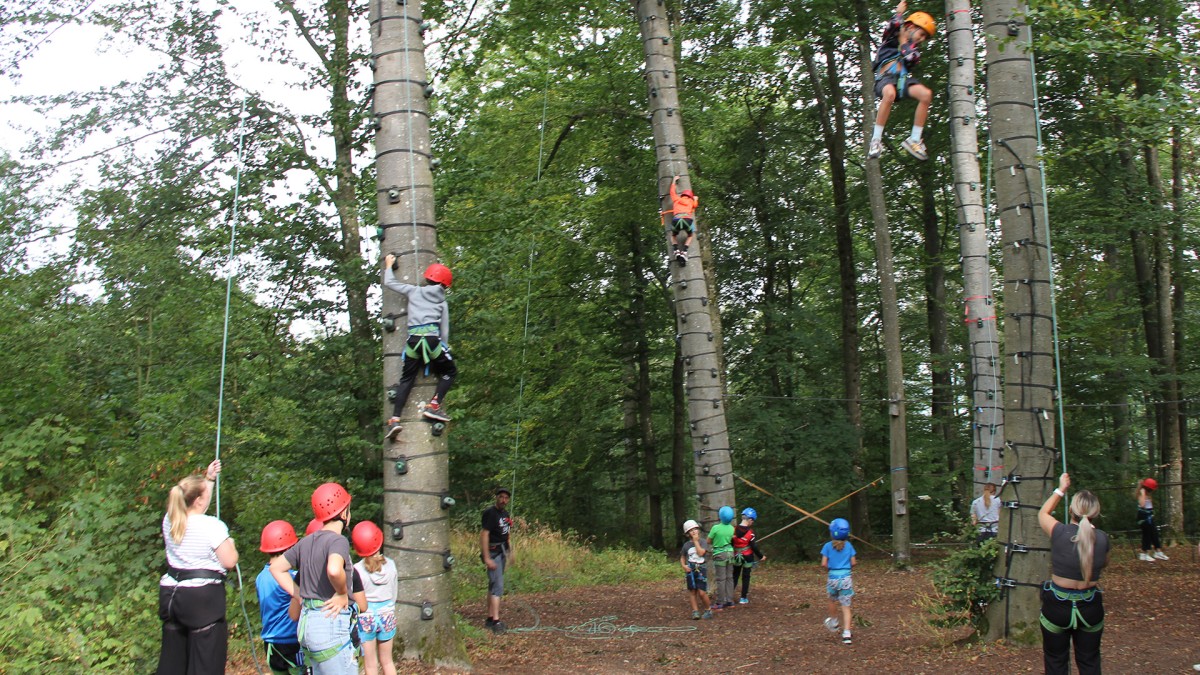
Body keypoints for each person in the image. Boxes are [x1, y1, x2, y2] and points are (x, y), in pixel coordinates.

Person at [156, 459, 239, 675]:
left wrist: (209, 479)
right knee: (205, 664)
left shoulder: (170, 520)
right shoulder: (212, 526)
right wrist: (230, 543)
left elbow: (197, 510)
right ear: (198, 500)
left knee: (173, 666)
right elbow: (230, 561)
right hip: (201, 601)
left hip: (171, 597)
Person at [271, 483, 358, 674]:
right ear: (344, 513)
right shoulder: (338, 540)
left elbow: (276, 568)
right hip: (330, 624)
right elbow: (334, 569)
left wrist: (299, 595)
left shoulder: (306, 542)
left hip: (307, 625)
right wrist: (342, 593)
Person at [1038, 473, 1110, 675]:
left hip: (1057, 608)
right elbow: (1104, 563)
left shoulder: (1059, 532)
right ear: (1096, 513)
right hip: (1090, 607)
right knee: (1090, 662)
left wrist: (1061, 489)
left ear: (1071, 510)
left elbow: (1043, 513)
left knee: (1056, 661)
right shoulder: (1103, 539)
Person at [382, 253, 457, 440]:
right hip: (432, 341)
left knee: (407, 379)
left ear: (428, 278)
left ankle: (395, 420)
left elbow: (390, 282)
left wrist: (389, 264)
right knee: (450, 371)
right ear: (444, 285)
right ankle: (434, 405)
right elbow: (444, 331)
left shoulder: (413, 291)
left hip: (413, 341)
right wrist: (443, 350)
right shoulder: (442, 302)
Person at [866, 1, 936, 161]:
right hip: (884, 80)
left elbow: (910, 58)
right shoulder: (891, 36)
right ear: (911, 27)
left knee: (926, 95)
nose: (921, 39)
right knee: (889, 94)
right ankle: (876, 140)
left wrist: (904, 41)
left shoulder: (915, 52)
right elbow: (894, 24)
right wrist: (899, 13)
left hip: (902, 81)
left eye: (924, 37)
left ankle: (915, 139)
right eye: (921, 34)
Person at [257, 520, 306, 675]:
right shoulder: (290, 578)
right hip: (291, 642)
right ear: (290, 549)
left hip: (271, 644)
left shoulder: (260, 577)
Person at [352, 522, 398, 675]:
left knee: (370, 665)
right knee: (388, 661)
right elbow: (394, 592)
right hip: (387, 615)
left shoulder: (356, 570)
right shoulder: (391, 565)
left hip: (366, 618)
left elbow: (356, 598)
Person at [480, 487, 514, 634]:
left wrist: (510, 552)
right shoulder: (490, 513)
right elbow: (484, 534)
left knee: (493, 585)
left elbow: (507, 534)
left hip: (502, 552)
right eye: (501, 497)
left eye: (506, 498)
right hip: (493, 553)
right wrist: (487, 557)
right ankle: (496, 621)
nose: (503, 500)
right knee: (498, 586)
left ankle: (490, 618)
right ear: (496, 498)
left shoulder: (505, 514)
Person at [821, 518, 857, 645]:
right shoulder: (849, 546)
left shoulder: (827, 546)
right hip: (846, 578)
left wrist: (831, 569)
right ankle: (847, 634)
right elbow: (853, 562)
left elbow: (823, 563)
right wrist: (846, 569)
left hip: (833, 577)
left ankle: (834, 622)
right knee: (846, 606)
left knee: (832, 600)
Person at [730, 507, 766, 604]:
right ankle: (743, 598)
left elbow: (732, 543)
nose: (752, 523)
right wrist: (761, 556)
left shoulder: (734, 529)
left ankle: (729, 596)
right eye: (752, 521)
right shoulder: (750, 532)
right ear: (749, 520)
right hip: (747, 556)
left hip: (736, 555)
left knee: (735, 575)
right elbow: (753, 546)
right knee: (746, 576)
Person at [679, 519, 714, 620]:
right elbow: (682, 557)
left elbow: (701, 553)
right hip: (691, 569)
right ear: (687, 533)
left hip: (701, 569)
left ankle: (708, 610)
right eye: (691, 530)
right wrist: (684, 566)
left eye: (695, 529)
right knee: (692, 591)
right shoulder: (686, 545)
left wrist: (695, 541)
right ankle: (695, 611)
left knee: (702, 592)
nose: (694, 531)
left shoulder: (703, 542)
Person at [706, 506, 736, 609]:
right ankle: (730, 600)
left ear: (720, 516)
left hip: (720, 554)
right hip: (730, 553)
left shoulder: (715, 528)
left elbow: (708, 541)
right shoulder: (732, 528)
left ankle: (720, 602)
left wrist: (716, 541)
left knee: (721, 579)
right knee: (729, 577)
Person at [1135, 477, 1168, 561]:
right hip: (1143, 517)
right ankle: (1144, 554)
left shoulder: (1148, 494)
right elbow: (1142, 505)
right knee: (1147, 534)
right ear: (1148, 488)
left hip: (1149, 516)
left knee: (1154, 533)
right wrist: (1143, 494)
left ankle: (1158, 552)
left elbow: (1150, 506)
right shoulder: (1142, 493)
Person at [668, 175, 698, 266]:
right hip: (687, 220)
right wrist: (696, 199)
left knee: (673, 235)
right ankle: (684, 252)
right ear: (690, 197)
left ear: (683, 195)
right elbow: (695, 205)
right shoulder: (691, 202)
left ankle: (676, 250)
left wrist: (674, 180)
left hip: (676, 220)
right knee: (690, 235)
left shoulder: (677, 199)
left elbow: (672, 191)